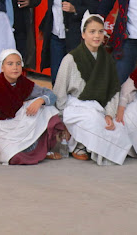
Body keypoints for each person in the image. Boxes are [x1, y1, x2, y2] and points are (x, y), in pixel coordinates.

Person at [54, 13, 132, 165]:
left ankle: (93, 146)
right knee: (94, 122)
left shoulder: (107, 60)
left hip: (98, 106)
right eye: (92, 32)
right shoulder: (71, 59)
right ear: (83, 34)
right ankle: (80, 146)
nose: (97, 36)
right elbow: (60, 91)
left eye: (100, 31)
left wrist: (110, 114)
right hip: (75, 106)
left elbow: (113, 90)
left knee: (118, 128)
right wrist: (62, 119)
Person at [0, 49, 66, 165]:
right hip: (2, 130)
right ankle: (30, 150)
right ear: (2, 67)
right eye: (10, 64)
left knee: (48, 109)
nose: (15, 67)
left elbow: (51, 94)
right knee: (13, 157)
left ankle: (43, 149)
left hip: (20, 123)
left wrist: (40, 100)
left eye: (18, 64)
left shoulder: (24, 83)